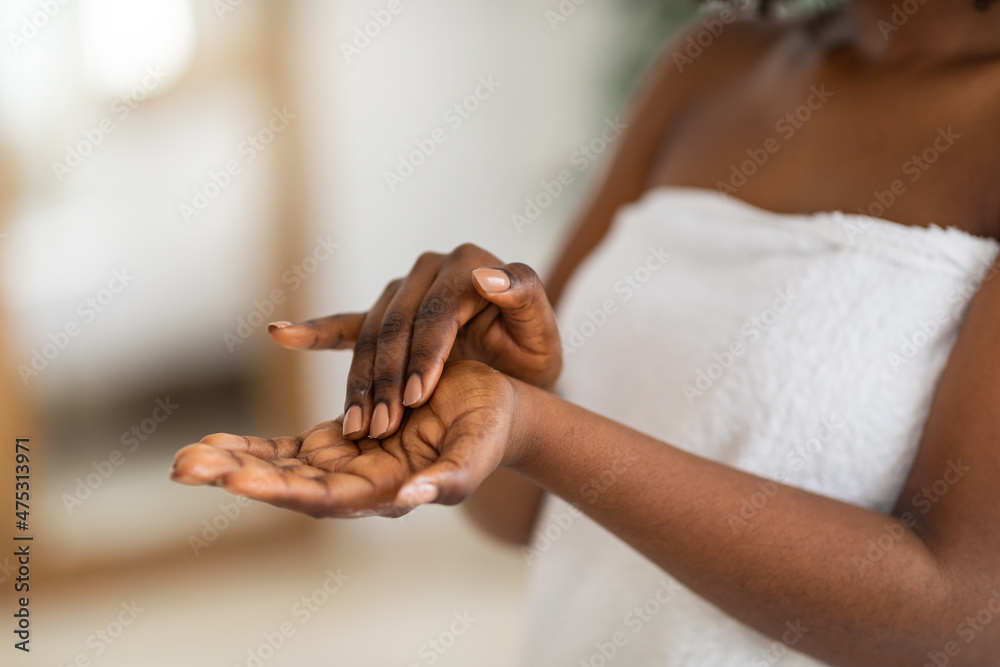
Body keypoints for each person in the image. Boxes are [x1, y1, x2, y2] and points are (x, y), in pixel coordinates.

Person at [171, 0, 1000, 663]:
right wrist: (473, 394)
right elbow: (521, 515)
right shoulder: (711, 67)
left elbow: (964, 612)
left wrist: (537, 425)